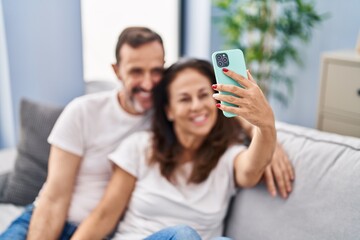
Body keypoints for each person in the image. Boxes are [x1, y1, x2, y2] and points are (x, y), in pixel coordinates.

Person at [0, 27, 293, 240]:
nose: (149, 83)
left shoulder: (175, 121)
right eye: (136, 71)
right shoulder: (92, 117)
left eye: (156, 71)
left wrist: (264, 128)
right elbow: (58, 199)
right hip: (49, 220)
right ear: (117, 71)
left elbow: (221, 126)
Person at [71, 58, 277, 240]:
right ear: (169, 111)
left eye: (204, 95)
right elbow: (104, 215)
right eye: (185, 99)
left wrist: (265, 125)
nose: (197, 106)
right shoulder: (140, 147)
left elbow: (251, 170)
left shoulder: (228, 157)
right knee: (183, 234)